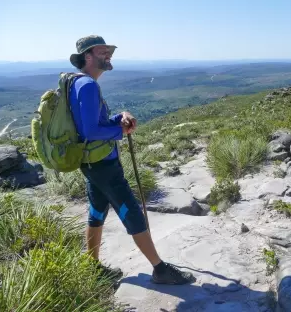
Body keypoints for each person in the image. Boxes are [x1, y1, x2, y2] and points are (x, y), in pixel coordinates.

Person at [68, 35, 195, 285]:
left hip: (91, 163)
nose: (108, 55)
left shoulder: (76, 83)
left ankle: (91, 267)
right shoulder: (89, 86)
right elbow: (90, 131)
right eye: (102, 51)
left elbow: (92, 123)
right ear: (87, 56)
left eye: (109, 51)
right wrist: (121, 131)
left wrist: (120, 117)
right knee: (132, 212)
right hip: (103, 164)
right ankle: (160, 270)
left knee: (96, 212)